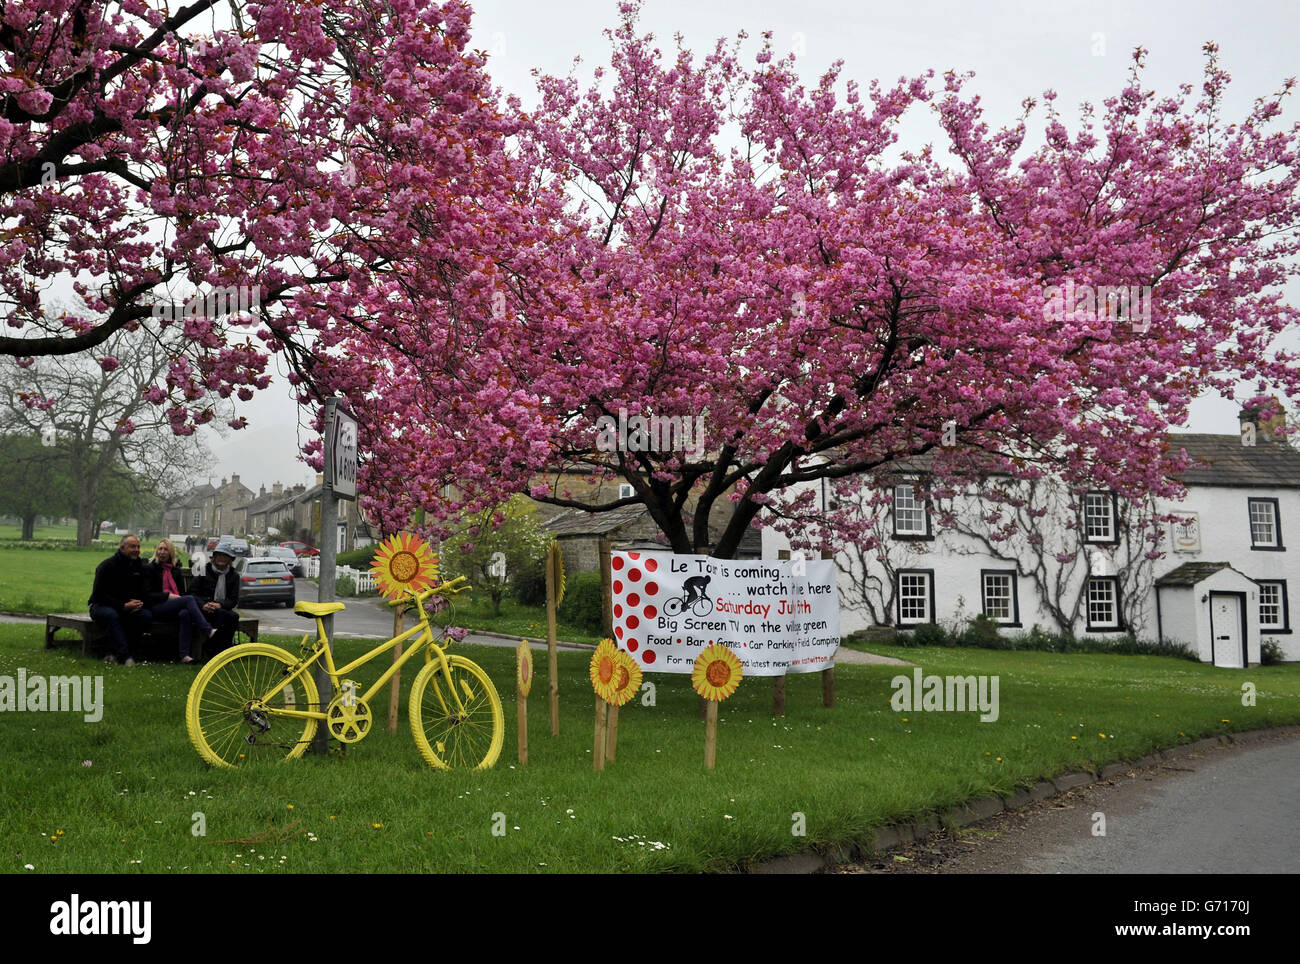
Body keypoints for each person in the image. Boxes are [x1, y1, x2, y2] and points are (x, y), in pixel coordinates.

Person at [146, 539, 216, 664]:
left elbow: (182, 593)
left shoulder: (175, 570)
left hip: (174, 607)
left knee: (185, 614)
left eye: (165, 549)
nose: (162, 552)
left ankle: (184, 655)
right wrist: (168, 596)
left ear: (170, 553)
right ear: (156, 551)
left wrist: (176, 599)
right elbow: (148, 595)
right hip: (156, 607)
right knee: (189, 599)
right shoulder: (150, 569)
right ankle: (208, 630)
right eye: (160, 549)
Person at [88, 533, 152, 666]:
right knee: (113, 615)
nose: (136, 550)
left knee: (144, 615)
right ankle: (125, 656)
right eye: (132, 547)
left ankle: (126, 654)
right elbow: (98, 595)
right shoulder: (106, 566)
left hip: (128, 606)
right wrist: (122, 605)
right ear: (122, 548)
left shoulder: (140, 566)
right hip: (101, 606)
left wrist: (138, 603)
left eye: (138, 547)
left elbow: (144, 591)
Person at [191, 546, 242, 655]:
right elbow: (192, 593)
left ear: (230, 560)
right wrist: (204, 604)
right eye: (219, 555)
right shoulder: (203, 570)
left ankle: (223, 651)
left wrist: (220, 604)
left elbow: (233, 600)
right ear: (213, 557)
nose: (221, 558)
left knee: (232, 616)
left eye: (225, 556)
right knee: (222, 616)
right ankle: (215, 649)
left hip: (221, 608)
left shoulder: (234, 576)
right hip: (203, 608)